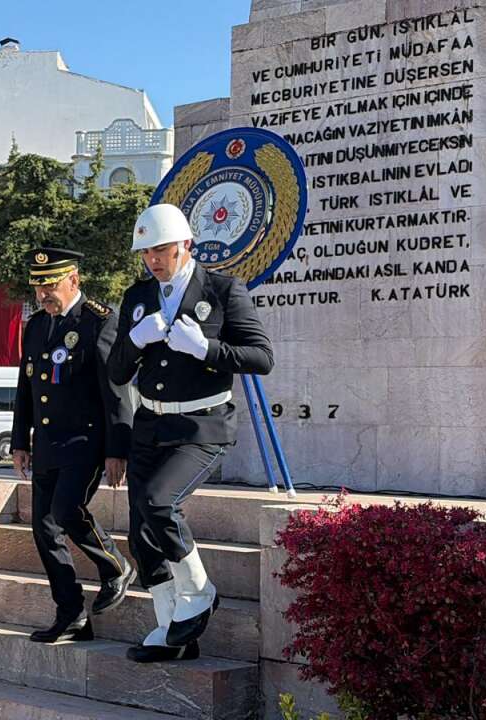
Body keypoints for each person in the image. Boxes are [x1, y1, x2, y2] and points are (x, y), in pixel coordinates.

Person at [107, 203, 273, 663]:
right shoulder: (138, 297)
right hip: (151, 424)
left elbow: (261, 356)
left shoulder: (222, 290)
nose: (153, 260)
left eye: (161, 249)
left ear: (186, 245)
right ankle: (171, 631)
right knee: (142, 532)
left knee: (161, 503)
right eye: (146, 252)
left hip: (202, 424)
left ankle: (199, 594)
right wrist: (136, 340)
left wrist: (206, 348)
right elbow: (116, 371)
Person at [11, 247, 135, 643]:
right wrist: (20, 439)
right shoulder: (35, 326)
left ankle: (115, 565)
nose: (43, 294)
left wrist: (118, 447)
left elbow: (114, 389)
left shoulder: (99, 321)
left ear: (74, 281)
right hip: (48, 442)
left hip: (86, 439)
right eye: (38, 287)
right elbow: (26, 387)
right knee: (43, 531)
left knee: (67, 511)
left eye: (50, 285)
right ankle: (71, 614)